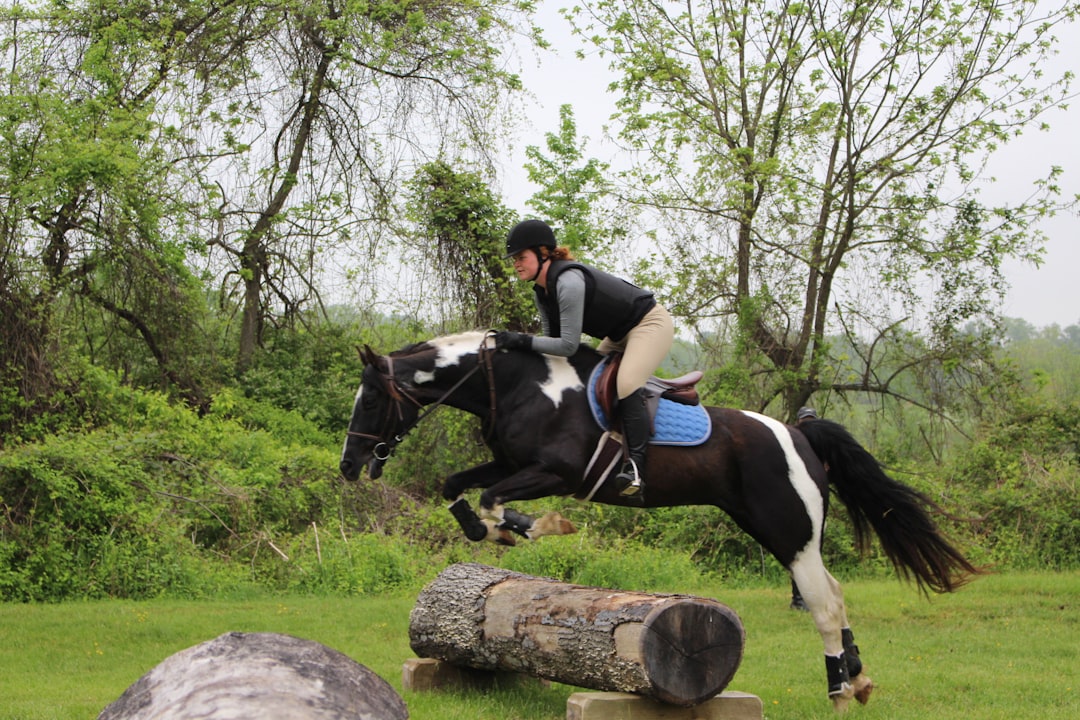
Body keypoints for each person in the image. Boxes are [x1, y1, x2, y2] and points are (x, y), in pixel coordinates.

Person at [493, 219, 674, 502]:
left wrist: (519, 340)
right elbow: (551, 345)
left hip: (649, 324)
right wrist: (517, 351)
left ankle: (636, 468)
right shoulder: (542, 291)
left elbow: (567, 345)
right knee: (587, 380)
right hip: (618, 334)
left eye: (521, 257)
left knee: (626, 382)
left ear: (543, 253)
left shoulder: (568, 282)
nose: (516, 264)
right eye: (514, 259)